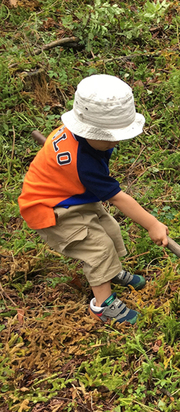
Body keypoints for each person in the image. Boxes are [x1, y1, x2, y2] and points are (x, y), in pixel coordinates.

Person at [18, 74, 169, 325]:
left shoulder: (82, 137)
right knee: (97, 248)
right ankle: (103, 305)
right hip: (51, 209)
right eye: (111, 136)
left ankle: (111, 271)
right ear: (89, 130)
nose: (116, 141)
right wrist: (152, 224)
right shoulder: (83, 163)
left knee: (110, 229)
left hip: (74, 195)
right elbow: (119, 199)